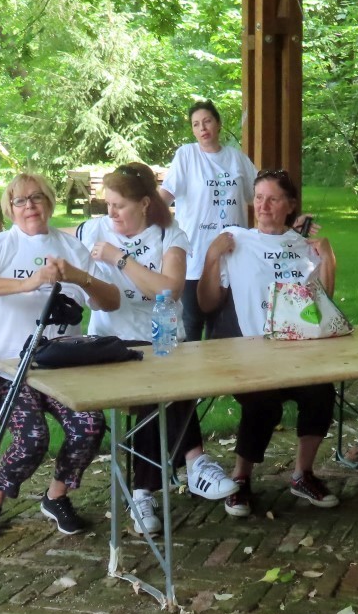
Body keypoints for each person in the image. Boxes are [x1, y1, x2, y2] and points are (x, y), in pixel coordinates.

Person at [0, 174, 121, 540]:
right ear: (10, 208)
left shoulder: (70, 247)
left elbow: (112, 301)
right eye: (20, 200)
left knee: (90, 425)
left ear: (50, 202)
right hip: (5, 368)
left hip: (60, 366)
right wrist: (28, 283)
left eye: (37, 197)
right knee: (32, 437)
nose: (30, 206)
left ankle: (56, 496)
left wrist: (80, 277)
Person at [76, 163, 238, 534]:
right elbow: (55, 241)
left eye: (120, 205)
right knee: (156, 385)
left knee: (167, 377)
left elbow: (170, 290)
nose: (111, 212)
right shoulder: (93, 230)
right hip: (113, 341)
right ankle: (193, 463)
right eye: (108, 204)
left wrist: (119, 259)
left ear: (145, 203)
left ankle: (144, 491)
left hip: (163, 335)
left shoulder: (169, 234)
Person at [196, 168, 341, 517]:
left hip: (297, 350)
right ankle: (241, 478)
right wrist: (212, 257)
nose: (263, 206)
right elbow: (206, 303)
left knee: (321, 392)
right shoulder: (236, 240)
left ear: (289, 205)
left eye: (273, 199)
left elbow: (324, 302)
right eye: (259, 198)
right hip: (251, 353)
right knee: (263, 401)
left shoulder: (301, 246)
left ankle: (302, 474)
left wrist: (328, 258)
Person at [159, 100, 257, 342]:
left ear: (218, 124)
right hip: (195, 256)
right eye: (196, 124)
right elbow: (165, 196)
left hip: (233, 257)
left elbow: (260, 196)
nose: (202, 128)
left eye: (207, 121)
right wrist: (141, 218)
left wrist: (290, 220)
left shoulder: (237, 159)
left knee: (225, 330)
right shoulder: (186, 155)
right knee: (191, 326)